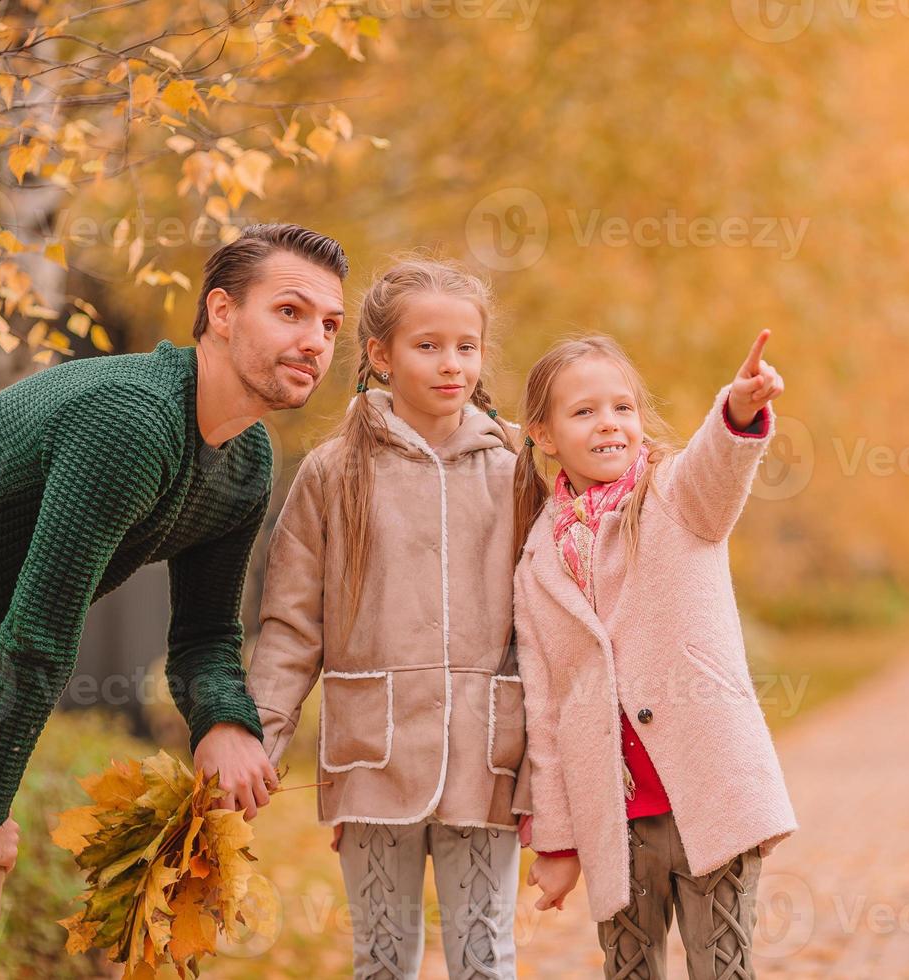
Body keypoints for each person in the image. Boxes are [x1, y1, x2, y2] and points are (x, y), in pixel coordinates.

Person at [0, 222, 348, 979]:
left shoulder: (243, 462)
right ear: (220, 313)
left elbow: (207, 632)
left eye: (331, 325)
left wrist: (224, 723)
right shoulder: (132, 421)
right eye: (290, 312)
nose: (315, 340)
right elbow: (41, 632)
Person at [247, 256, 528, 979]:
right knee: (380, 958)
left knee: (485, 958)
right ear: (380, 355)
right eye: (427, 346)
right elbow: (289, 627)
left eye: (466, 347)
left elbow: (552, 623)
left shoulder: (518, 468)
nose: (450, 365)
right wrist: (261, 748)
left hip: (487, 756)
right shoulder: (334, 471)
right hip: (371, 759)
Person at [514, 331, 797, 980]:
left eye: (623, 408)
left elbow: (715, 467)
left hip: (710, 796)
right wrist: (557, 841)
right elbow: (546, 713)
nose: (609, 424)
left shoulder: (675, 499)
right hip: (615, 820)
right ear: (545, 434)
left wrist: (739, 411)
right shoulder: (538, 562)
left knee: (723, 968)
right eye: (584, 412)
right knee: (629, 971)